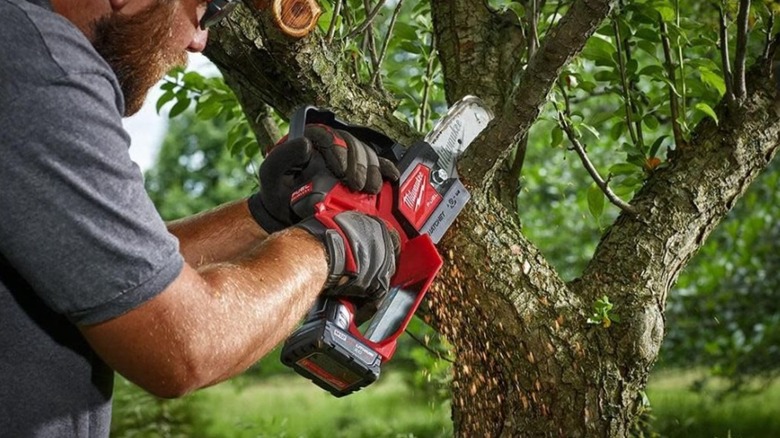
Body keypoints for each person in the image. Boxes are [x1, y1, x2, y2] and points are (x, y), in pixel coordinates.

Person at [0, 0, 400, 436]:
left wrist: (269, 216)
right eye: (203, 11)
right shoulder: (37, 64)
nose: (198, 41)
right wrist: (327, 247)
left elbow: (132, 283)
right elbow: (184, 344)